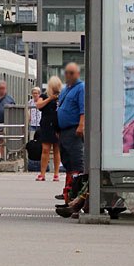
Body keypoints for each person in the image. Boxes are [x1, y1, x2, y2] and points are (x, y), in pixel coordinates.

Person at [56, 63, 85, 203]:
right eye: (67, 73)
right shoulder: (66, 89)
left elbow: (83, 108)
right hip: (64, 131)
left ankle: (76, 195)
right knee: (67, 162)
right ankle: (68, 191)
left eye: (72, 73)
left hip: (74, 129)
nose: (68, 75)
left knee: (76, 163)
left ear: (77, 74)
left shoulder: (81, 88)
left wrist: (81, 125)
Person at [35, 76, 62, 182]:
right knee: (45, 149)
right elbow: (39, 105)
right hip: (46, 125)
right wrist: (50, 99)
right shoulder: (44, 95)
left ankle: (56, 173)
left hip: (57, 124)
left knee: (57, 149)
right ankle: (42, 173)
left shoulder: (61, 96)